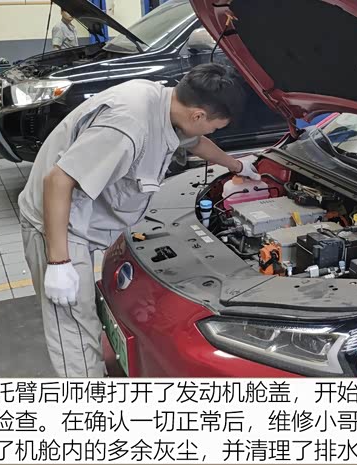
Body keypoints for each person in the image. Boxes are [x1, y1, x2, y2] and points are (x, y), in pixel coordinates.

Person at [18, 63, 261, 378]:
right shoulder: (128, 127)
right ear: (198, 115)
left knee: (83, 316)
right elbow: (57, 182)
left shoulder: (165, 104)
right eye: (215, 127)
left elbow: (194, 142)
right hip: (58, 224)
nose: (211, 133)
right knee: (74, 327)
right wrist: (59, 262)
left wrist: (236, 165)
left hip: (85, 217)